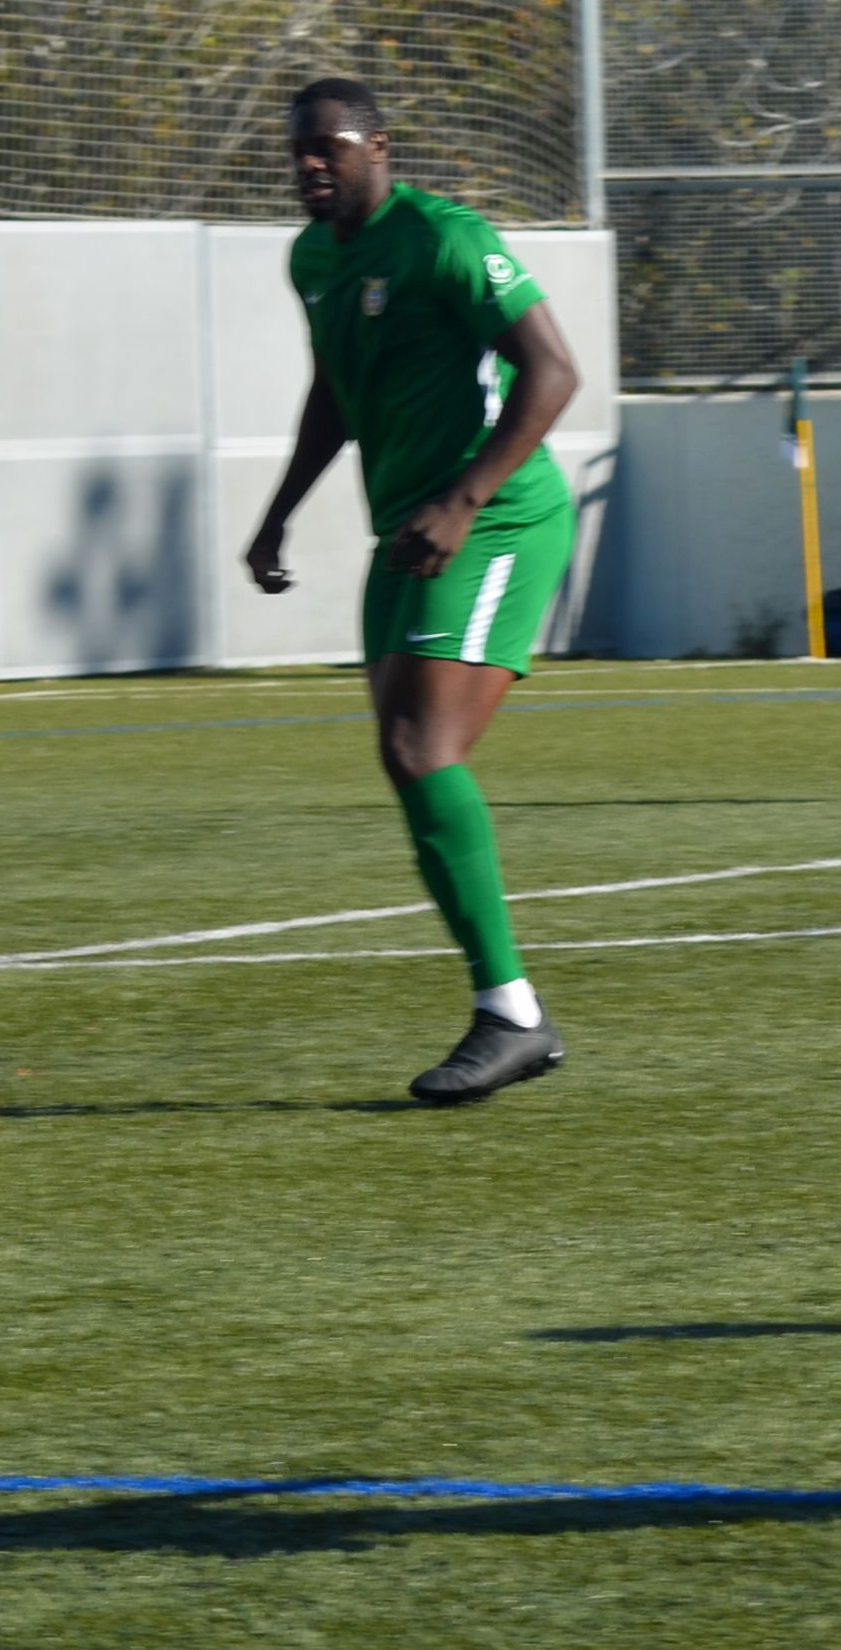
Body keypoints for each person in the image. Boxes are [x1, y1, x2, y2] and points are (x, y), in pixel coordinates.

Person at [247, 78, 587, 1104]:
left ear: (378, 147)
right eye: (299, 149)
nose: (311, 163)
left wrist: (466, 498)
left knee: (420, 748)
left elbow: (553, 370)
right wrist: (279, 511)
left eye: (330, 147)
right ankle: (509, 1009)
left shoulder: (443, 236)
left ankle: (510, 1012)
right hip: (410, 533)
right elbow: (332, 394)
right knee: (406, 759)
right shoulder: (312, 258)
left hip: (499, 520)